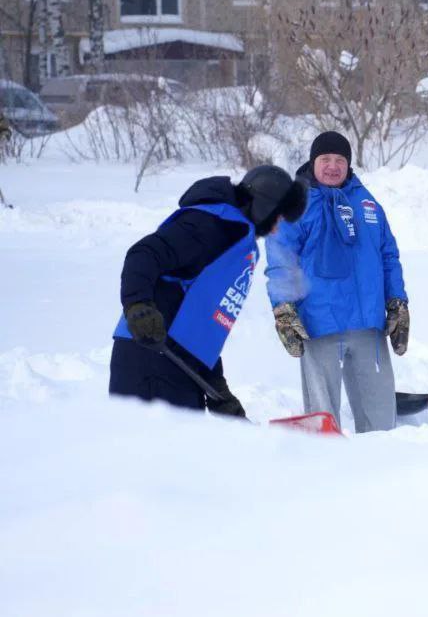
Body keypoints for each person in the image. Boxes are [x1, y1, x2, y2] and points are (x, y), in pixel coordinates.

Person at [109, 165, 308, 417]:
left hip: (178, 366)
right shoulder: (207, 224)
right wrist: (138, 306)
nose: (277, 229)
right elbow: (144, 254)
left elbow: (202, 325)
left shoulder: (234, 239)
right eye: (278, 218)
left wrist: (217, 389)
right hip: (148, 357)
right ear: (264, 206)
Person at [265, 132, 409, 433]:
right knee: (323, 419)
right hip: (319, 322)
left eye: (340, 160)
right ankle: (326, 473)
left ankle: (383, 470)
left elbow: (388, 256)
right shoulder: (296, 205)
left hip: (367, 323)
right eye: (325, 159)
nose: (333, 166)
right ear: (313, 162)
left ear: (349, 164)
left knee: (381, 417)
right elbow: (280, 259)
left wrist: (397, 302)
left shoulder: (367, 203)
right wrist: (283, 307)